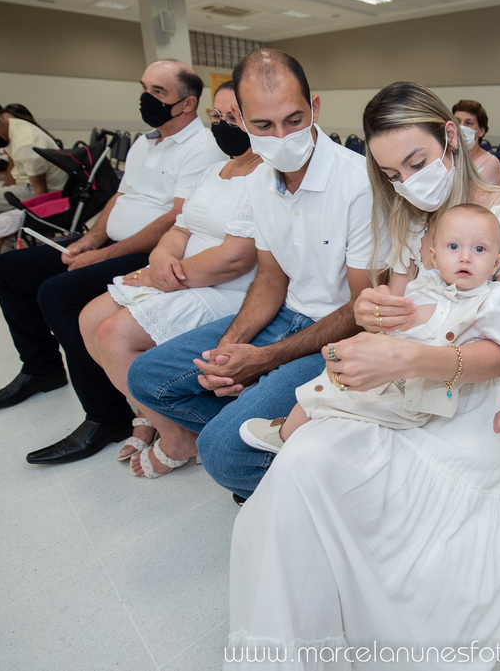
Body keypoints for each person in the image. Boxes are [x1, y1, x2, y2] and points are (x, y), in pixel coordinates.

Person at [226, 81, 500, 665]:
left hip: (479, 401)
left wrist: (407, 356)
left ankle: (381, 626)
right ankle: (299, 643)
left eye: (417, 162)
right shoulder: (409, 221)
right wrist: (371, 314)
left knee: (400, 503)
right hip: (404, 387)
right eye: (393, 174)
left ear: (450, 136)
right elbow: (392, 318)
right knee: (304, 460)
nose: (408, 182)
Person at [125, 49, 374, 480]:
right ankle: (276, 450)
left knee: (222, 454)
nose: (282, 136)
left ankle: (289, 463)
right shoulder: (259, 180)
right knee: (147, 377)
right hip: (285, 315)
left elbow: (360, 309)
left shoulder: (358, 184)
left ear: (314, 107)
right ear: (239, 120)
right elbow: (271, 277)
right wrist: (231, 349)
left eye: (294, 120)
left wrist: (263, 358)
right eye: (263, 125)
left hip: (338, 331)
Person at [0, 60, 225, 468]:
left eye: (158, 92)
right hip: (111, 241)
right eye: (144, 88)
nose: (146, 98)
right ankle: (41, 368)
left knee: (59, 295)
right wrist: (88, 238)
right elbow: (119, 199)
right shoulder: (146, 142)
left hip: (149, 249)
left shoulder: (202, 147)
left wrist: (104, 254)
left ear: (187, 103)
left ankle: (106, 414)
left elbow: (175, 219)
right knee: (8, 270)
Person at [240, 203, 500, 456]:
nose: (465, 257)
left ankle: (287, 438)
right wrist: (378, 312)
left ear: (496, 262)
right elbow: (397, 323)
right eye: (453, 247)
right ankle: (297, 432)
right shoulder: (427, 284)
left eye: (479, 249)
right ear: (434, 257)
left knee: (330, 397)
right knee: (332, 375)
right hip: (391, 372)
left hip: (416, 392)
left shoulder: (493, 301)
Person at [76, 81, 262, 467]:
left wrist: (159, 277)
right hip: (178, 273)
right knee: (90, 315)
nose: (225, 124)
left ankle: (180, 438)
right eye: (218, 116)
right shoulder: (215, 170)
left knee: (113, 334)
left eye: (235, 117)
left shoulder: (267, 176)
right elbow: (180, 227)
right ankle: (147, 413)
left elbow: (235, 259)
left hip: (231, 289)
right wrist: (160, 258)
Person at [452, 98, 500, 185]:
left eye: (468, 123)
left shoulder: (490, 163)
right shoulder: (448, 155)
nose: (461, 127)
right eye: (457, 122)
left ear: (481, 131)